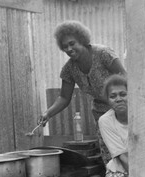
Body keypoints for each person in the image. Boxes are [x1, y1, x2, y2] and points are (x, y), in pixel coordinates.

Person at [38, 20, 126, 163]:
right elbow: (64, 97)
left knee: (127, 149)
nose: (69, 49)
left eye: (72, 43)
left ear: (83, 40)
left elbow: (125, 77)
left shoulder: (103, 54)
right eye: (65, 46)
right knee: (110, 155)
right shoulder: (69, 69)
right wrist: (48, 113)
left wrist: (123, 103)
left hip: (121, 109)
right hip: (101, 114)